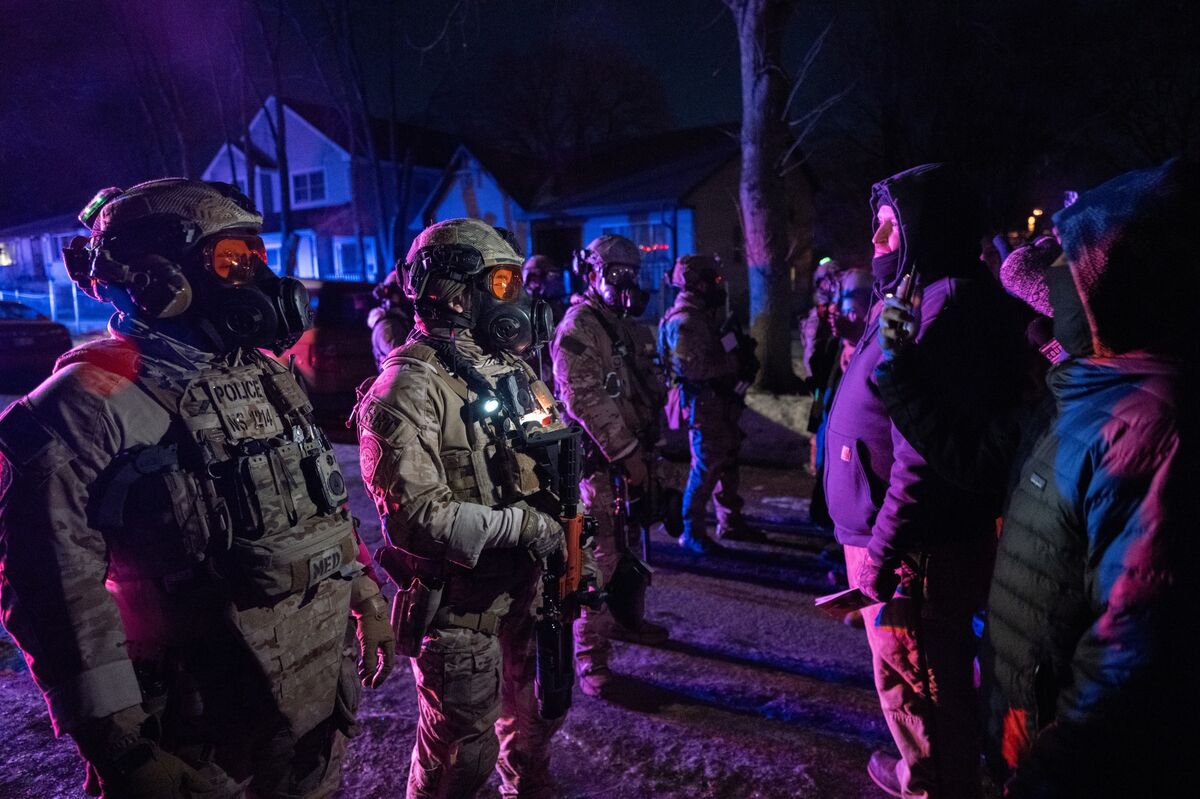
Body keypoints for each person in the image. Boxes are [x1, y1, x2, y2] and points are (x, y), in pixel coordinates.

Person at [0, 179, 392, 798]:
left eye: (256, 257)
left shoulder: (267, 375)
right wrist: (121, 746)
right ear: (159, 279)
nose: (257, 279)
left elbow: (322, 502)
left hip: (312, 697)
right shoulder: (83, 406)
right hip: (194, 725)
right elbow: (54, 588)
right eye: (230, 259)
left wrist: (366, 598)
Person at [354, 218, 585, 799]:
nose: (517, 299)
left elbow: (555, 464)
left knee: (537, 716)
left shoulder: (513, 370)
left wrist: (574, 540)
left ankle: (527, 786)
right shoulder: (407, 386)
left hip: (528, 589)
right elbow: (416, 518)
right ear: (454, 293)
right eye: (502, 284)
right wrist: (527, 527)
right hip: (460, 607)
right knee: (461, 754)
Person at [987, 161, 1195, 798]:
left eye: (1066, 261)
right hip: (1031, 721)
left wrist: (1049, 771)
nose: (1052, 279)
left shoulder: (1149, 425)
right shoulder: (1094, 387)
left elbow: (1131, 641)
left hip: (1068, 762)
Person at [822, 163, 1026, 799]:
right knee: (909, 674)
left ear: (927, 229)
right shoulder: (921, 295)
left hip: (914, 548)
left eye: (890, 226)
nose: (877, 240)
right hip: (896, 536)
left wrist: (884, 551)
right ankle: (923, 769)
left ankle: (937, 781)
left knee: (923, 680)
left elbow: (923, 458)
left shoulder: (947, 307)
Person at [550, 233, 670, 698]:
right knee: (595, 562)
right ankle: (590, 657)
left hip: (627, 460)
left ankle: (625, 620)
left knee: (625, 550)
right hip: (599, 466)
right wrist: (627, 454)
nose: (626, 283)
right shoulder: (580, 327)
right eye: (617, 273)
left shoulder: (619, 325)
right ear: (591, 273)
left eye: (632, 274)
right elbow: (582, 397)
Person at [658, 254, 762, 552]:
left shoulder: (701, 315)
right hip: (702, 403)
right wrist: (734, 362)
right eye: (714, 280)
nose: (718, 286)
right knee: (705, 466)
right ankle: (692, 531)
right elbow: (692, 368)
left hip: (718, 400)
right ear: (698, 283)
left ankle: (729, 520)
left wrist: (737, 349)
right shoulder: (685, 321)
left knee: (726, 460)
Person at [807, 268, 873, 530]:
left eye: (851, 312)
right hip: (828, 421)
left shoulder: (869, 349)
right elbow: (822, 389)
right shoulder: (835, 347)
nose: (841, 318)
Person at [521, 255, 567, 384]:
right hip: (537, 374)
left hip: (555, 367)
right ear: (533, 279)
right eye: (551, 276)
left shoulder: (553, 306)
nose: (555, 281)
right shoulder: (524, 310)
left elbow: (562, 337)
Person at [368, 267, 416, 370]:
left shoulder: (397, 321)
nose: (409, 299)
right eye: (405, 294)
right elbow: (404, 364)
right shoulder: (388, 327)